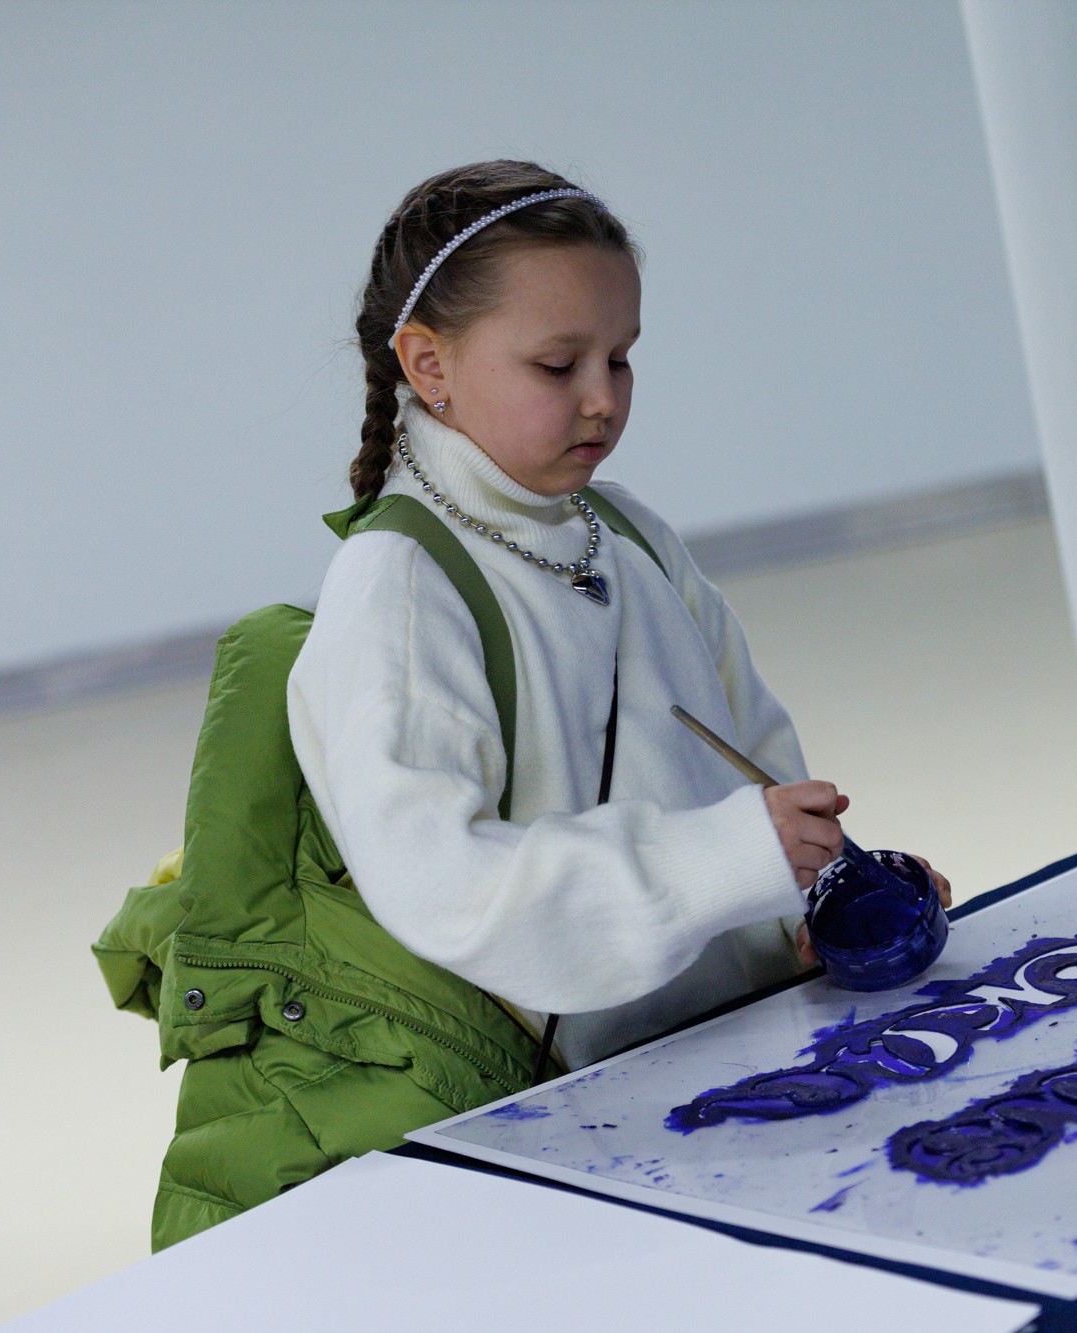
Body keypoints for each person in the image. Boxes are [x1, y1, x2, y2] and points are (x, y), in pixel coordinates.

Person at [287, 159, 952, 1074]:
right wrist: (723, 862)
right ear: (428, 363)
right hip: (582, 1101)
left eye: (621, 357)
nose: (602, 398)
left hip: (749, 1041)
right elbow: (444, 887)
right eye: (558, 365)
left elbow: (750, 745)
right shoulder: (398, 584)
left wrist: (814, 894)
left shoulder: (627, 530)